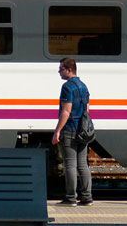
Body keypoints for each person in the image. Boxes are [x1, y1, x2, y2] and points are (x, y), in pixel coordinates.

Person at [52, 57, 93, 207]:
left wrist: (57, 131)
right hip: (82, 130)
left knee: (70, 164)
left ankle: (70, 198)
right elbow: (87, 110)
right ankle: (87, 197)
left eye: (61, 69)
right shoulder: (83, 86)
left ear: (69, 70)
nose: (59, 72)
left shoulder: (67, 87)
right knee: (83, 164)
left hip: (70, 129)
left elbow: (66, 111)